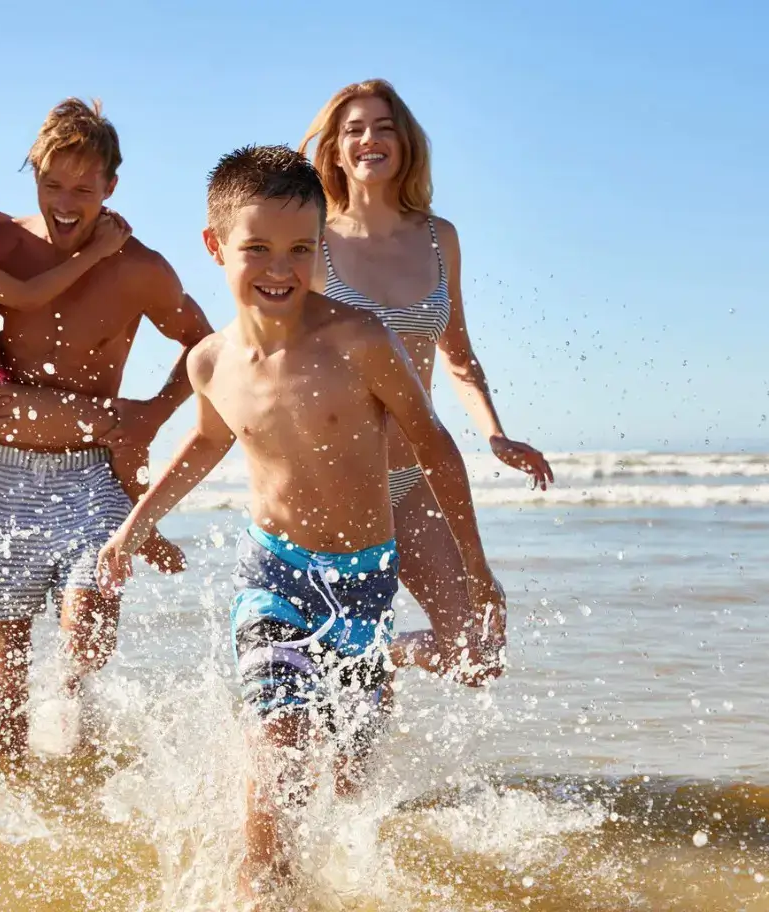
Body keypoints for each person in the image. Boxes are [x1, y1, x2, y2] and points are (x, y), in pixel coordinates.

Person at [96, 145, 505, 901]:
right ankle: (261, 888)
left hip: (366, 581)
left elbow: (434, 448)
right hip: (273, 579)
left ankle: (385, 660)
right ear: (215, 245)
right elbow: (207, 441)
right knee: (278, 758)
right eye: (256, 248)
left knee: (348, 792)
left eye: (299, 249)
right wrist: (134, 526)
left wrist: (477, 571)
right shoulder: (210, 362)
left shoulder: (360, 338)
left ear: (321, 247)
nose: (278, 268)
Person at [0, 99, 213, 763]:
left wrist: (154, 412)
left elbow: (204, 345)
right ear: (32, 175)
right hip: (2, 471)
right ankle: (11, 783)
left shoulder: (139, 267)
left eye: (83, 189)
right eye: (51, 185)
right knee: (6, 644)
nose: (65, 204)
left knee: (86, 631)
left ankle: (80, 757)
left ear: (110, 187)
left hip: (91, 471)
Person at [300, 79, 554, 645]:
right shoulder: (311, 242)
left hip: (415, 475)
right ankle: (371, 666)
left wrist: (495, 435)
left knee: (477, 649)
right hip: (338, 481)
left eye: (384, 128)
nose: (370, 139)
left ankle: (392, 656)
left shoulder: (440, 238)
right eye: (354, 129)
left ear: (406, 144)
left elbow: (457, 355)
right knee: (340, 660)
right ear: (336, 150)